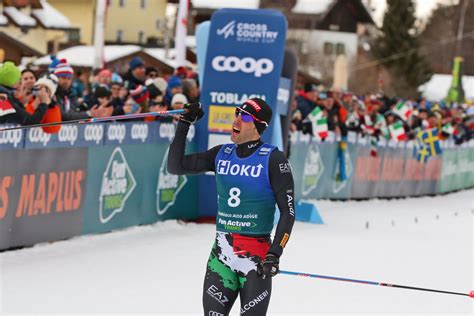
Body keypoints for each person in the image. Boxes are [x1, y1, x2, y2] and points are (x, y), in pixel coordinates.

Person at [168, 98, 295, 315]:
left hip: (256, 260)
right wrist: (185, 122)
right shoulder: (222, 153)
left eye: (245, 117)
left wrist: (275, 254)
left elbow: (288, 212)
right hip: (221, 255)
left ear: (259, 126)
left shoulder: (273, 159)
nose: (236, 119)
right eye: (237, 113)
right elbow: (175, 166)